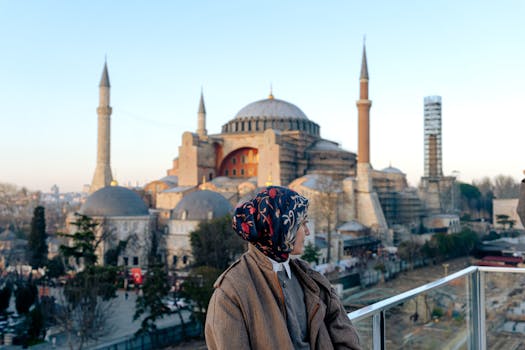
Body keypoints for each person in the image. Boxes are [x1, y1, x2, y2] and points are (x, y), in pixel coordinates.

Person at [205, 186, 361, 350]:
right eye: (302, 224)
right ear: (282, 227)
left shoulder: (311, 279)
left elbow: (346, 340)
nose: (307, 232)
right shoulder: (231, 292)